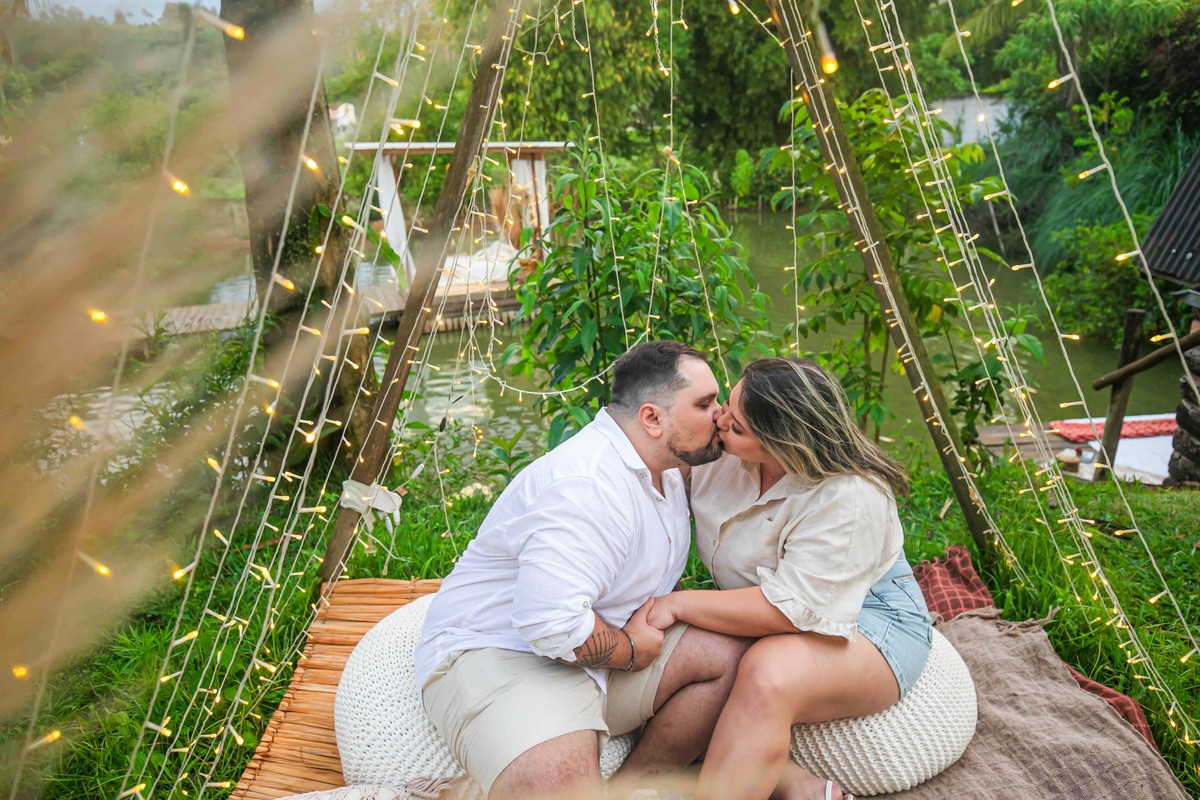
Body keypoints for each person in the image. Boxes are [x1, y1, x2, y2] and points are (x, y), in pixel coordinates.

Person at [414, 340, 749, 800]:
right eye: (705, 403)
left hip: (594, 651)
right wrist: (630, 650)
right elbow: (549, 625)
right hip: (504, 651)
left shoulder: (668, 464)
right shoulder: (586, 485)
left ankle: (631, 787)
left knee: (730, 655)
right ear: (652, 418)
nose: (721, 415)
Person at [647, 357, 942, 800]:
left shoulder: (850, 495)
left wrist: (677, 603)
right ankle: (792, 781)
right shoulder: (722, 449)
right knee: (702, 661)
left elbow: (790, 610)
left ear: (783, 446)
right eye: (727, 404)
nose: (719, 422)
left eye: (737, 426)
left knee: (769, 672)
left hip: (870, 622)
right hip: (775, 607)